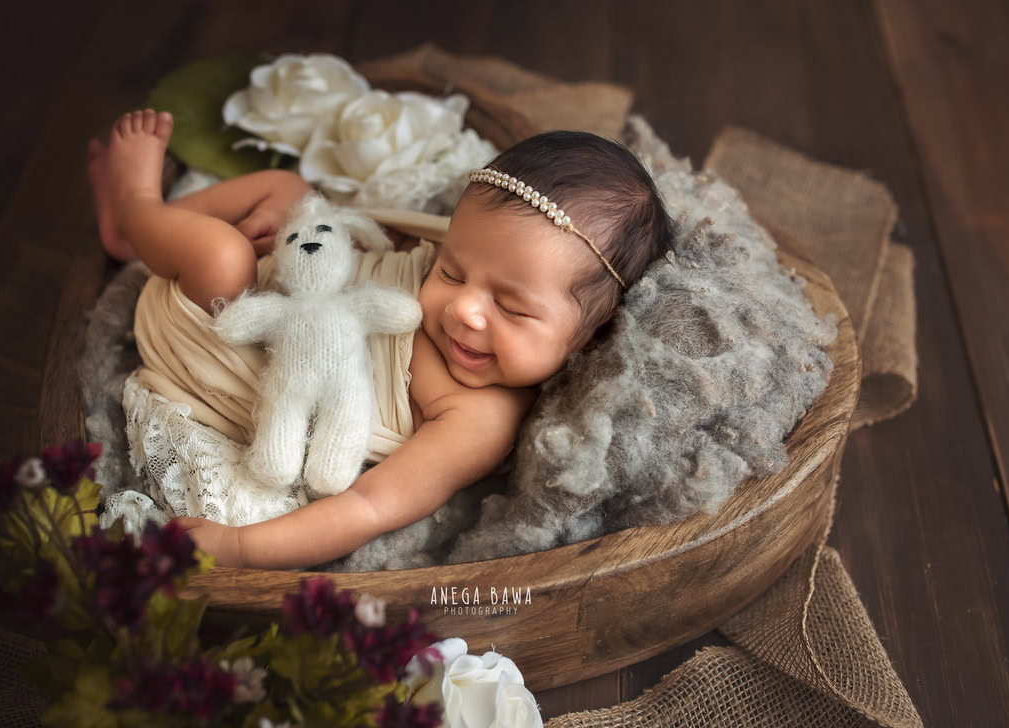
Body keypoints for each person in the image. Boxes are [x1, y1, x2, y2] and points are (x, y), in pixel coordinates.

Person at [86, 108, 673, 569]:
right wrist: (310, 237)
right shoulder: (495, 256)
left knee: (220, 255)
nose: (465, 309)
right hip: (287, 288)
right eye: (451, 271)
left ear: (589, 336)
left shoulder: (481, 420)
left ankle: (137, 206)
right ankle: (134, 233)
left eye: (512, 308)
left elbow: (368, 506)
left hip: (219, 345)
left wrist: (240, 547)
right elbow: (381, 241)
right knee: (291, 189)